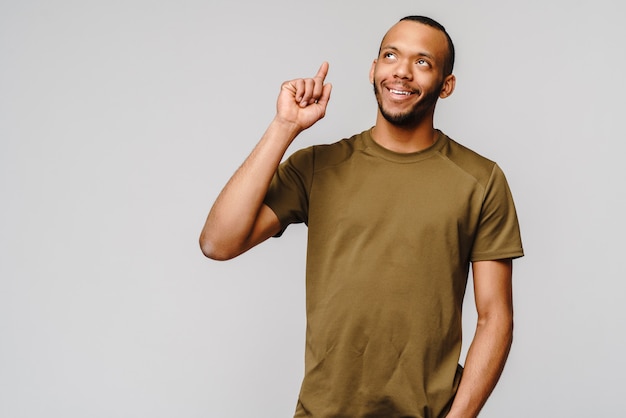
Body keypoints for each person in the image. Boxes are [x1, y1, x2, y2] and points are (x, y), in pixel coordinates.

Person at [200, 15, 523, 418]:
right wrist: (284, 126)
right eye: (391, 55)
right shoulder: (317, 166)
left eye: (422, 62)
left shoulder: (480, 180)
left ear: (446, 85)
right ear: (374, 70)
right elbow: (218, 242)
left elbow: (495, 319)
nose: (401, 71)